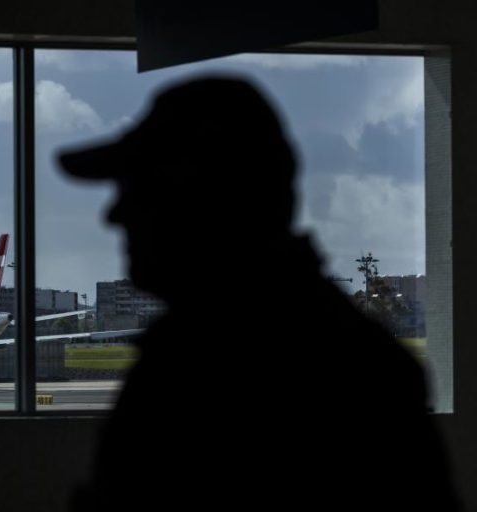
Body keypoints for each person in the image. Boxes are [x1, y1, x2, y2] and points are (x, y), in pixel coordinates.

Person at [58, 76, 461, 510]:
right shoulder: (352, 359)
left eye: (141, 189)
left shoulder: (197, 366)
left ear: (207, 199)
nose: (114, 214)